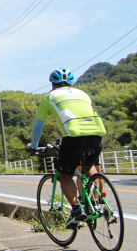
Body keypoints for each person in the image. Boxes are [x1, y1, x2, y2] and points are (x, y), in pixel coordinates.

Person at [26, 68, 106, 229]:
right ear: (71, 82)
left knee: (65, 175)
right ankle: (96, 202)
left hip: (74, 137)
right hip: (97, 135)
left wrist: (33, 146)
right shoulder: (83, 94)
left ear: (53, 83)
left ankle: (77, 209)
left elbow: (38, 126)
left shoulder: (49, 97)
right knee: (89, 168)